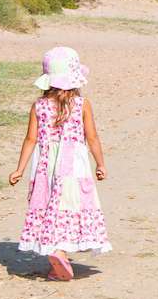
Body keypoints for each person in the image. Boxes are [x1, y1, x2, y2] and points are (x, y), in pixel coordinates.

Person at [8, 46, 111, 280]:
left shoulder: (39, 105)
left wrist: (20, 169)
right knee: (70, 204)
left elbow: (31, 139)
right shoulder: (82, 104)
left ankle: (57, 251)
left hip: (46, 165)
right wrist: (100, 164)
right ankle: (61, 250)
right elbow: (92, 137)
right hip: (74, 165)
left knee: (48, 205)